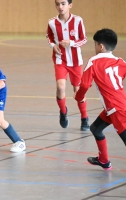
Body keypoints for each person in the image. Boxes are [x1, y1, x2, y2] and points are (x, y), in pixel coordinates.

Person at [74, 28, 126, 170]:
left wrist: (79, 97)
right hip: (113, 107)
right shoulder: (120, 61)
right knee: (95, 128)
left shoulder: (94, 61)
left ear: (101, 46)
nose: (95, 47)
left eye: (95, 44)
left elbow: (84, 84)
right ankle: (103, 160)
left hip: (117, 109)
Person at [46, 0, 89, 131]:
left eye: (63, 3)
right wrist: (53, 46)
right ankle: (63, 112)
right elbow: (49, 37)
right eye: (58, 4)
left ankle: (84, 117)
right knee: (60, 87)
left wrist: (71, 43)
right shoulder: (52, 22)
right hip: (60, 60)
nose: (60, 6)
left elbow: (84, 39)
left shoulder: (78, 20)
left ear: (70, 5)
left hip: (75, 62)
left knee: (77, 91)